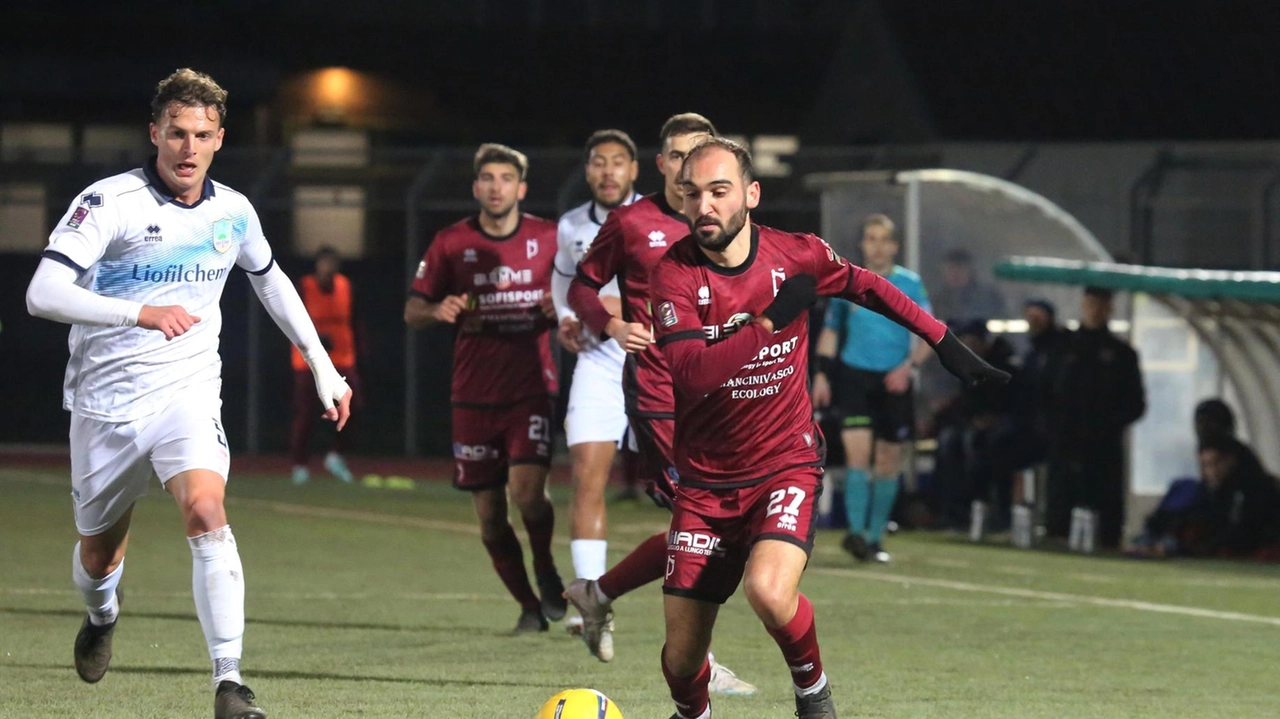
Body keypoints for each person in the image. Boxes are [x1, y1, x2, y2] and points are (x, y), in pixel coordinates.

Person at [24, 68, 352, 719]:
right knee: (99, 552)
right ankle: (102, 613)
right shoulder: (109, 202)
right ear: (155, 132)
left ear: (220, 139)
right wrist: (137, 313)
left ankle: (229, 683)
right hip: (106, 406)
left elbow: (270, 278)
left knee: (207, 508)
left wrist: (321, 362)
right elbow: (42, 293)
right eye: (176, 133)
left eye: (202, 135)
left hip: (188, 391)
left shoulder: (232, 211)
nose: (188, 148)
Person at [649, 137, 1008, 719]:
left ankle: (812, 690)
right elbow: (692, 376)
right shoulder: (674, 275)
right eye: (693, 194)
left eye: (719, 191)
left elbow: (867, 284)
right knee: (682, 660)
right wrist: (768, 321)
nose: (704, 206)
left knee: (768, 591)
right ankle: (694, 714)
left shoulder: (797, 255)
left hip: (783, 463)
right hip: (707, 482)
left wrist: (941, 341)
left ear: (751, 194)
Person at [565, 113, 756, 696]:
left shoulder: (723, 219)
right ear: (662, 163)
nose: (686, 165)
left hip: (720, 395)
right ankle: (698, 664)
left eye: (698, 153)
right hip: (658, 393)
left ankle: (596, 594)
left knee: (703, 531)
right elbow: (580, 286)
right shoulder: (632, 221)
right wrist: (613, 322)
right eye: (676, 155)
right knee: (702, 528)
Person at [403, 143, 567, 633]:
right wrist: (438, 310)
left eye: (505, 179)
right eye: (487, 179)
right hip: (472, 394)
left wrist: (563, 305)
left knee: (528, 493)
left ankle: (545, 565)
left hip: (530, 387)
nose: (496, 187)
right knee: (491, 516)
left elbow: (583, 291)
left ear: (521, 189)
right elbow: (413, 309)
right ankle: (529, 608)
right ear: (476, 188)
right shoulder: (451, 243)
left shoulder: (550, 238)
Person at [551, 129, 642, 608]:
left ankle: (696, 629)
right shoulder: (570, 226)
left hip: (655, 361)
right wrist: (567, 318)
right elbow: (562, 278)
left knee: (682, 489)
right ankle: (589, 597)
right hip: (598, 361)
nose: (608, 171)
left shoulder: (659, 220)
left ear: (634, 171)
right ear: (588, 171)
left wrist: (618, 304)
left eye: (618, 162)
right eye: (599, 162)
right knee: (587, 474)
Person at [811, 214, 934, 563]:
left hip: (893, 380)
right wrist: (821, 375)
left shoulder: (910, 284)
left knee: (888, 460)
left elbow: (930, 332)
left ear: (894, 246)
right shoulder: (847, 282)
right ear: (863, 244)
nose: (877, 245)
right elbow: (832, 331)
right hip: (854, 378)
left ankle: (875, 536)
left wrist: (908, 368)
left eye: (884, 239)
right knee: (858, 455)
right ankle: (857, 534)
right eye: (871, 238)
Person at [1043, 286, 1146, 550]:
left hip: (1104, 442)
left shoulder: (1121, 354)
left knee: (1104, 495)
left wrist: (1109, 424)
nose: (1095, 310)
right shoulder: (1063, 348)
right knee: (1063, 491)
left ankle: (1107, 540)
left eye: (1101, 304)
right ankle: (1058, 535)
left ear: (1110, 308)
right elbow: (1043, 392)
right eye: (1090, 303)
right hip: (1065, 438)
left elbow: (1136, 403)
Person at [289, 246, 362, 485]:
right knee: (306, 414)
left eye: (332, 263)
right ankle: (300, 465)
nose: (328, 268)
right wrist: (317, 339)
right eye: (324, 263)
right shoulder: (305, 287)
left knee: (353, 406)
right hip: (308, 361)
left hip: (342, 358)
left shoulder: (345, 286)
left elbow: (355, 319)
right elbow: (291, 320)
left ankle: (335, 455)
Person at [928, 247, 1006, 325]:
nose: (955, 273)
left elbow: (1001, 323)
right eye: (950, 269)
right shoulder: (938, 301)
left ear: (971, 271)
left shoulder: (988, 297)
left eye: (960, 268)